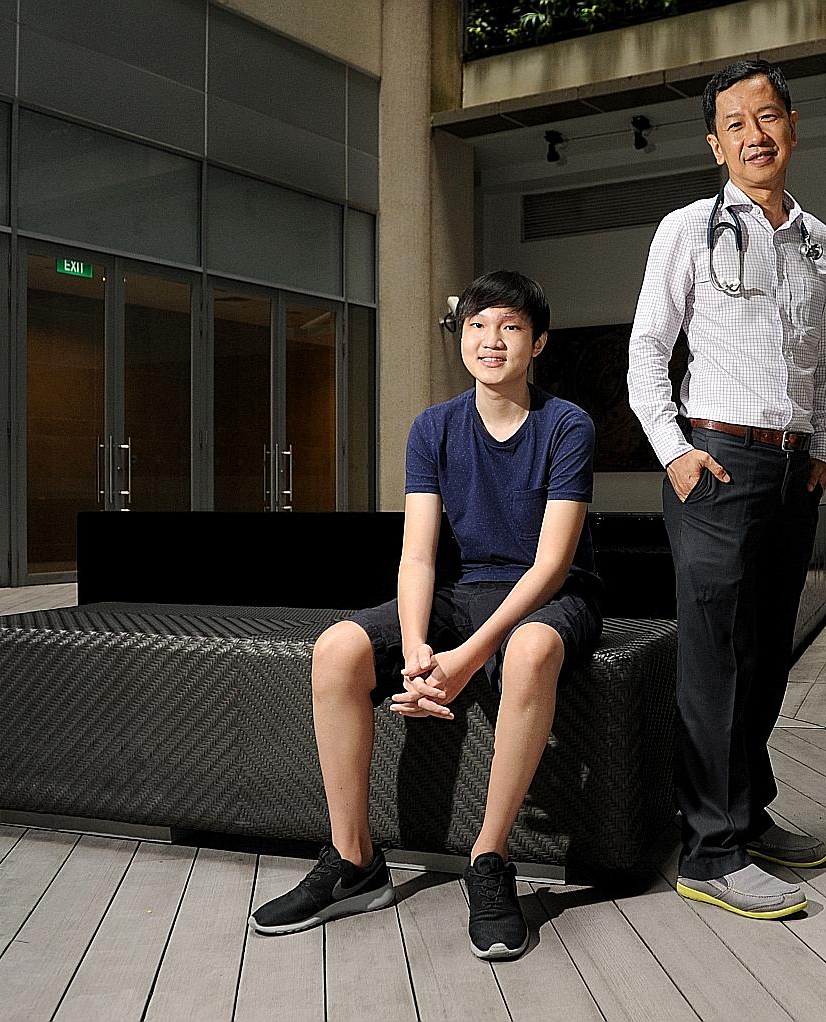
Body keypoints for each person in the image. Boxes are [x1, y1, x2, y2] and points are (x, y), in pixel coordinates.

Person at [251, 270, 602, 960]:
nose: (491, 340)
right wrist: (415, 648)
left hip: (551, 595)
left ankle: (489, 860)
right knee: (337, 648)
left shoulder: (567, 425)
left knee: (530, 650)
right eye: (477, 325)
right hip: (461, 589)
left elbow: (550, 567)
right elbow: (417, 556)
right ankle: (354, 860)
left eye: (510, 327)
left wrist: (467, 657)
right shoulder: (434, 427)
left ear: (537, 343)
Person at [627, 58, 826, 919]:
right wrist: (675, 453)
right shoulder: (687, 229)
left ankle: (747, 818)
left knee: (765, 653)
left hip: (791, 468)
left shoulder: (818, 239)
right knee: (714, 658)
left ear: (792, 125)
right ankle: (709, 851)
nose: (756, 135)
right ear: (716, 145)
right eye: (736, 124)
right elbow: (647, 352)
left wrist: (823, 445)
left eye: (768, 117)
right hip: (715, 464)